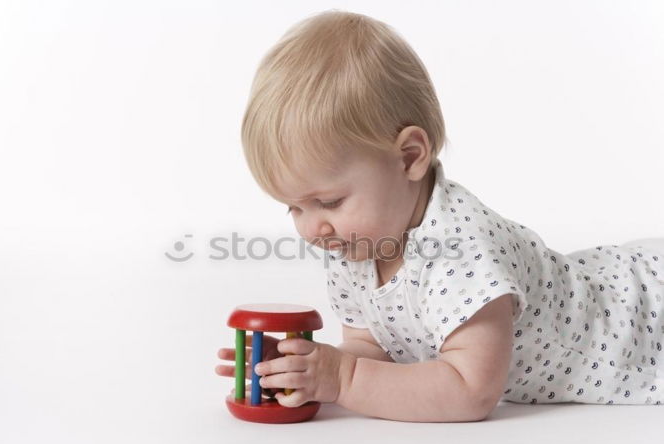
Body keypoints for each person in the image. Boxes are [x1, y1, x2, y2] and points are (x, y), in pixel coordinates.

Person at [215, 10, 664, 422]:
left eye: (329, 202)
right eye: (294, 207)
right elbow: (375, 346)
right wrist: (304, 368)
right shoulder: (354, 244)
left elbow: (470, 390)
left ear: (410, 156)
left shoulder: (460, 248)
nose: (312, 228)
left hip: (640, 320)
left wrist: (345, 380)